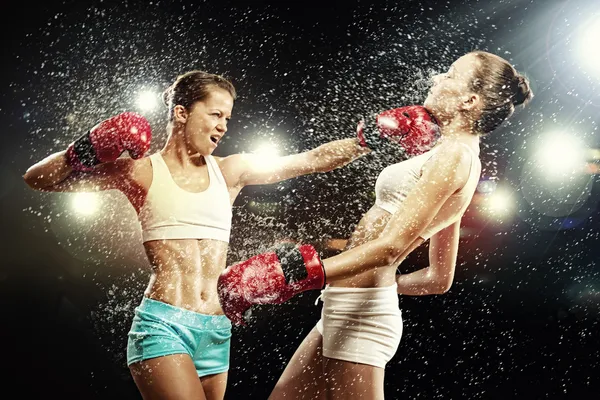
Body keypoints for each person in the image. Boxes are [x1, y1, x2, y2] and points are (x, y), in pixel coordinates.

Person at [22, 69, 438, 400]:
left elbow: (311, 160)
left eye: (228, 118)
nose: (223, 126)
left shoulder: (231, 170)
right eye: (215, 114)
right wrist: (85, 148)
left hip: (217, 330)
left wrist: (368, 139)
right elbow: (40, 179)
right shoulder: (141, 170)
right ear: (182, 112)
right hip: (164, 326)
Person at [217, 50, 534, 399]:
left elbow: (391, 247)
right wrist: (382, 286)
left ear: (469, 101)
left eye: (449, 75)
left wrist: (301, 274)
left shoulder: (454, 156)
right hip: (351, 305)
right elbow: (437, 279)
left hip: (362, 318)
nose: (436, 79)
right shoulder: (457, 157)